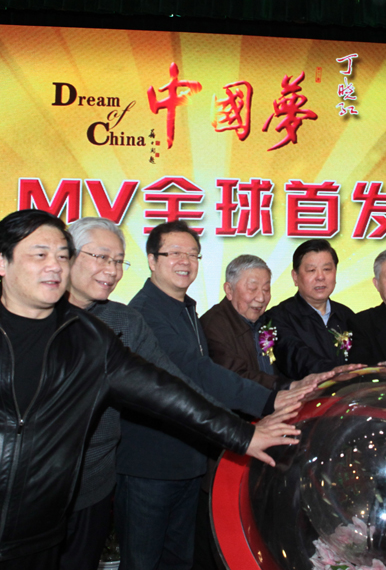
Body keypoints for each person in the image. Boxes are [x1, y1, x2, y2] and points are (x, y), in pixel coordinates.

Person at [0, 210, 298, 570]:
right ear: (1, 262)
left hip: (39, 533)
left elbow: (167, 390)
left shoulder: (92, 338)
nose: (55, 266)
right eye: (41, 255)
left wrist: (244, 434)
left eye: (62, 256)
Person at [118, 221, 311, 570]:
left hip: (189, 460)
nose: (185, 261)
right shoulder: (145, 313)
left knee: (180, 561)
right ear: (152, 260)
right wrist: (269, 400)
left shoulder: (185, 309)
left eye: (192, 254)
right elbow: (197, 372)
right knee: (144, 562)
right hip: (151, 466)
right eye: (174, 253)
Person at [270, 239, 357, 379]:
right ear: (295, 277)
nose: (320, 277)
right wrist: (335, 373)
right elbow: (296, 356)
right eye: (311, 270)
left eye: (327, 269)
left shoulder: (347, 316)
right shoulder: (278, 317)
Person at [200, 254, 284, 389]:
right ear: (229, 290)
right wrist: (282, 385)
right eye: (252, 289)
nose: (261, 298)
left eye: (266, 290)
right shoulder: (214, 325)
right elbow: (233, 378)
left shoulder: (267, 321)